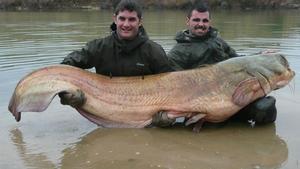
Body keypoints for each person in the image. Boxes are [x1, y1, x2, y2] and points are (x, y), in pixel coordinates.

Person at [59, 0, 174, 126]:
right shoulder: (99, 47)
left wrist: (167, 115)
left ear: (140, 21)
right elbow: (65, 68)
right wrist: (67, 93)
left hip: (145, 119)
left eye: (132, 19)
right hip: (104, 116)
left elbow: (172, 86)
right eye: (122, 18)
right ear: (115, 19)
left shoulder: (154, 51)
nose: (126, 24)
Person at [167, 1, 277, 126]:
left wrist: (260, 55)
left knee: (265, 108)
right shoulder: (177, 52)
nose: (201, 24)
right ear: (188, 21)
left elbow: (239, 61)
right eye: (196, 20)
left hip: (232, 98)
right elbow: (172, 85)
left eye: (205, 21)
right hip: (203, 105)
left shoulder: (218, 41)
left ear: (210, 22)